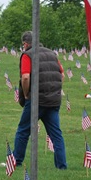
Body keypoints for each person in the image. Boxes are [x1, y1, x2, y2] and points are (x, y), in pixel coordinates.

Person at [13, 31, 67, 169]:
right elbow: (62, 75)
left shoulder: (28, 55)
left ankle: (16, 161)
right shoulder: (52, 54)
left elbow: (25, 77)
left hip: (36, 100)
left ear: (26, 44)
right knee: (56, 134)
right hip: (53, 100)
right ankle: (62, 166)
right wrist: (53, 91)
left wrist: (26, 94)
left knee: (23, 131)